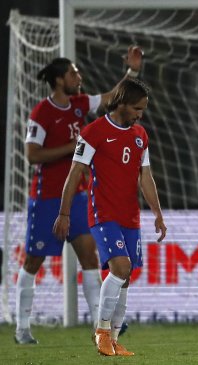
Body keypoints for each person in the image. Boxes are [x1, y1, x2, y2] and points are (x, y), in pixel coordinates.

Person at [15, 47, 143, 345]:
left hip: (80, 198)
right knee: (33, 261)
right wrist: (75, 146)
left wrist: (133, 72)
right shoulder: (41, 113)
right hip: (47, 199)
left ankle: (100, 328)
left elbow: (113, 97)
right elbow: (32, 155)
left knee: (90, 257)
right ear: (60, 80)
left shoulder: (79, 104)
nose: (79, 77)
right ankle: (22, 328)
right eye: (73, 73)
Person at [53, 77, 166, 356]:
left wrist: (158, 213)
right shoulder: (94, 132)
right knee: (120, 267)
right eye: (137, 108)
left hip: (130, 216)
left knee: (125, 277)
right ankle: (101, 331)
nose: (141, 114)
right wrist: (64, 213)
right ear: (123, 103)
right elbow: (75, 173)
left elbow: (146, 176)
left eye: (143, 109)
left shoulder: (140, 134)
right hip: (103, 214)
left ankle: (114, 338)